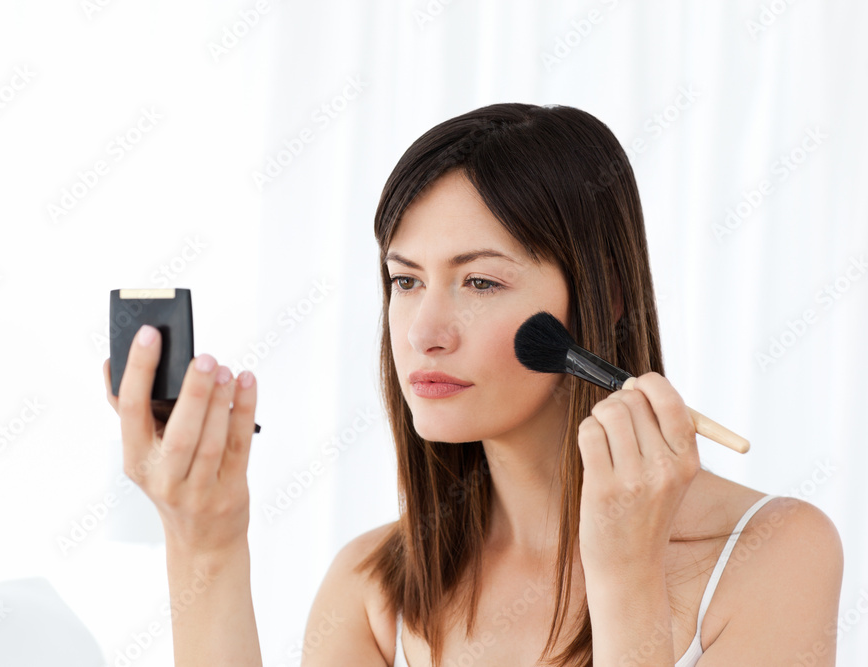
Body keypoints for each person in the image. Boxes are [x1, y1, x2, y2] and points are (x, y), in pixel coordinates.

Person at [103, 103, 843, 666]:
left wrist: (625, 576)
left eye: (481, 282)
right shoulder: (373, 589)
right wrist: (205, 544)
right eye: (405, 281)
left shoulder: (774, 552)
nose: (424, 331)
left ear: (606, 297)